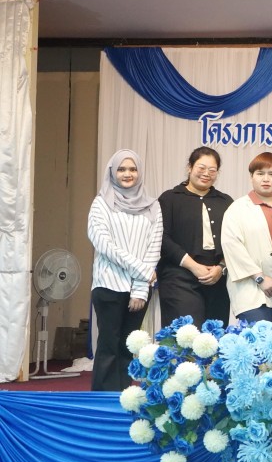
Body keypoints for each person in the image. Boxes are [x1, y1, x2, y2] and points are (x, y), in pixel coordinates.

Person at [87, 149, 162, 391]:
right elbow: (104, 244)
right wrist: (142, 270)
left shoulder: (153, 206)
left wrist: (140, 289)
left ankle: (123, 399)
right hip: (108, 284)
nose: (127, 174)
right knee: (108, 345)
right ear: (112, 172)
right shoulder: (101, 203)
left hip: (138, 289)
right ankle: (102, 402)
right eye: (121, 169)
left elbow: (153, 248)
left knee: (128, 347)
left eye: (132, 169)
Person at [220, 152, 272, 328]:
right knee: (260, 339)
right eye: (260, 173)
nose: (266, 179)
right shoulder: (237, 209)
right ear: (251, 177)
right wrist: (259, 278)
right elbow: (232, 247)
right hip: (250, 290)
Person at [157, 147, 233, 327]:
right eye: (201, 168)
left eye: (212, 170)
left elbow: (234, 240)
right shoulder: (170, 198)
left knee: (215, 335)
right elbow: (162, 238)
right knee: (188, 334)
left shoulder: (226, 201)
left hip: (217, 278)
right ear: (189, 167)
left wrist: (221, 267)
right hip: (179, 276)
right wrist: (193, 266)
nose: (206, 174)